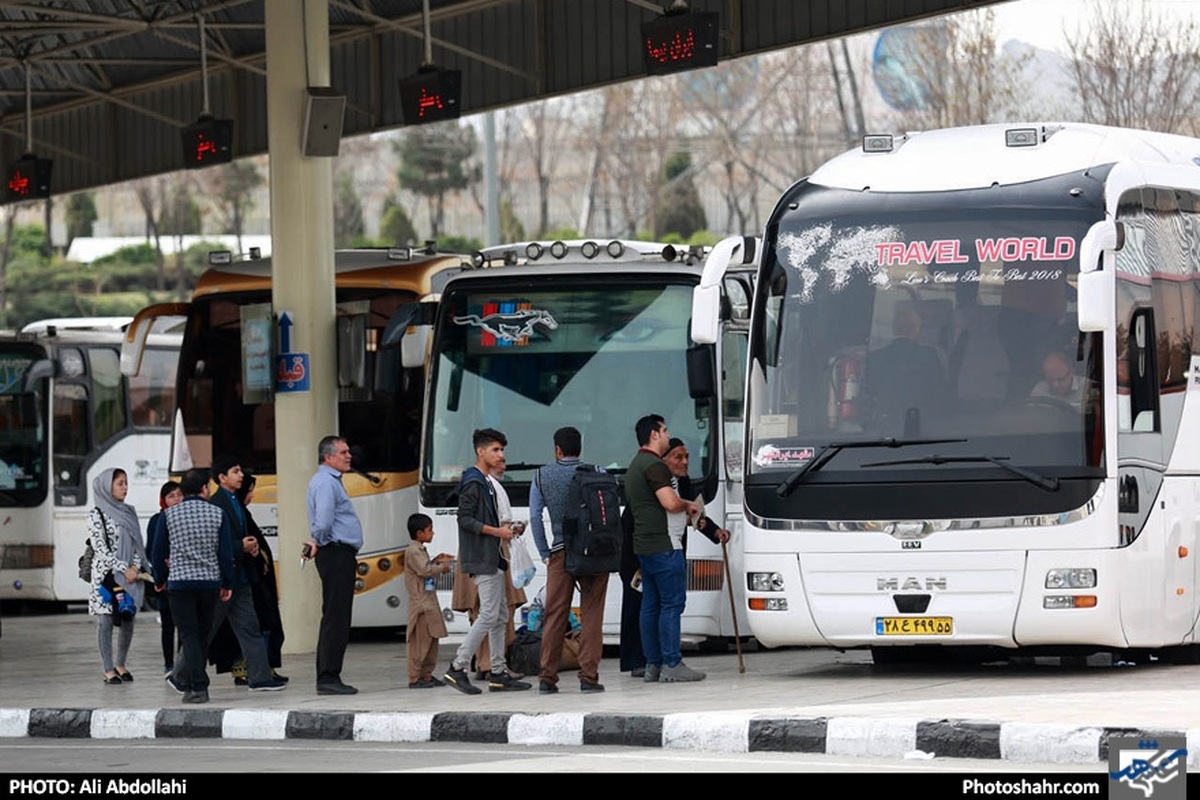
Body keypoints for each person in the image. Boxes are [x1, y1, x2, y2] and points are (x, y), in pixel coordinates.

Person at [172, 455, 285, 693]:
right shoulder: (217, 504)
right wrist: (240, 546)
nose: (241, 475)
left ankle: (260, 677)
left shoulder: (233, 501)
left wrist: (250, 547)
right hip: (223, 581)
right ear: (222, 478)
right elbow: (214, 544)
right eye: (235, 471)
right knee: (206, 631)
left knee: (250, 629)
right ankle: (179, 675)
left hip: (240, 580)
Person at [443, 428, 531, 694]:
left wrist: (509, 529)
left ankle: (498, 671)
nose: (500, 454)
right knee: (490, 613)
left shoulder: (485, 482)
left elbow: (486, 518)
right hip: (483, 556)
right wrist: (498, 532)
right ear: (480, 451)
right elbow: (465, 519)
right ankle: (457, 667)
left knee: (501, 614)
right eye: (495, 449)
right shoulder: (474, 482)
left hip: (494, 555)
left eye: (502, 450)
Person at [625, 414, 704, 683]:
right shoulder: (655, 466)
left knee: (651, 605)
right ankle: (672, 662)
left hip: (645, 545)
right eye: (665, 430)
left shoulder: (635, 465)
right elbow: (669, 503)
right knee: (672, 603)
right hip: (665, 543)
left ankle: (652, 664)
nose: (668, 435)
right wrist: (688, 505)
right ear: (655, 435)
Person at [530, 425, 608, 694]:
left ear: (557, 449)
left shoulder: (542, 475)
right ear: (580, 449)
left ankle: (547, 678)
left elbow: (535, 517)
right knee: (592, 614)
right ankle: (589, 678)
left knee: (554, 614)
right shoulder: (597, 472)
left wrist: (545, 552)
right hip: (594, 553)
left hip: (560, 552)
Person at [152, 468, 235, 704]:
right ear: (204, 489)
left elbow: (158, 553)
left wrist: (160, 579)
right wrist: (226, 582)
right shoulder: (217, 514)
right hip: (209, 584)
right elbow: (225, 554)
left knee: (188, 634)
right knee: (202, 635)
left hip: (179, 584)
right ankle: (196, 683)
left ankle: (197, 686)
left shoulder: (168, 516)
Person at [305, 435, 364, 695]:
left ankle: (329, 675)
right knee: (336, 617)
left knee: (336, 615)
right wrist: (318, 540)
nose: (348, 456)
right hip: (336, 552)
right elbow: (324, 522)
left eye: (348, 451)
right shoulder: (327, 483)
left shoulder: (328, 481)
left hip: (337, 552)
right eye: (343, 452)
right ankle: (328, 677)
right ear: (328, 457)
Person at [87, 467, 148, 685]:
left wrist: (136, 568)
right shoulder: (97, 514)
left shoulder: (128, 511)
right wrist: (123, 567)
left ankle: (121, 664)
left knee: (128, 617)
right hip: (106, 576)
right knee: (105, 621)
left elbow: (137, 545)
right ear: (107, 486)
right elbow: (100, 548)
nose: (125, 487)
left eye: (126, 482)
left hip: (129, 575)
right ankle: (108, 669)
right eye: (120, 483)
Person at [865, 306, 946, 436]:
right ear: (916, 329)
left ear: (894, 329)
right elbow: (939, 393)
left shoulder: (875, 358)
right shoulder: (930, 356)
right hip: (924, 427)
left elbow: (868, 395)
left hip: (885, 429)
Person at [404, 512, 452, 689]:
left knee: (432, 640)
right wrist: (442, 567)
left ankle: (427, 675)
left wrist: (436, 560)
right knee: (420, 642)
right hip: (421, 604)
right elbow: (424, 570)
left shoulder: (420, 550)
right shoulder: (413, 550)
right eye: (429, 530)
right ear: (419, 533)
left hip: (429, 601)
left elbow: (425, 566)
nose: (432, 533)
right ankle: (415, 677)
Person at [144, 480, 184, 677]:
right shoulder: (157, 520)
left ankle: (182, 662)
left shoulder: (188, 518)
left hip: (184, 577)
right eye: (171, 496)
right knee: (168, 624)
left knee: (184, 623)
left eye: (179, 495)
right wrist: (160, 577)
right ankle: (169, 663)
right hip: (165, 581)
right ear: (163, 500)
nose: (176, 500)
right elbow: (152, 551)